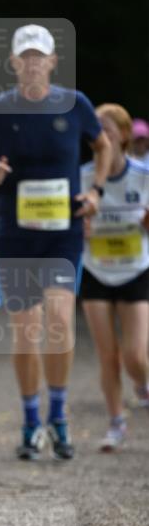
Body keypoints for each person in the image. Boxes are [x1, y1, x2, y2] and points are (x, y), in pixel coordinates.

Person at [0, 24, 112, 460]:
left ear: (51, 61)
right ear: (13, 62)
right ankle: (30, 420)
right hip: (15, 236)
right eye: (24, 56)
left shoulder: (75, 105)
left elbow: (102, 147)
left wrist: (95, 191)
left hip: (63, 233)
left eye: (38, 56)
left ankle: (59, 416)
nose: (31, 63)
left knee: (61, 322)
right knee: (26, 333)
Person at [79, 103, 149, 450]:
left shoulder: (143, 175)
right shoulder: (82, 177)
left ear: (122, 134)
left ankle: (142, 384)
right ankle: (116, 423)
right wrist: (81, 229)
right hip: (96, 272)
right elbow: (67, 224)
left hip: (136, 271)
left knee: (135, 356)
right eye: (95, 131)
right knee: (107, 355)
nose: (100, 136)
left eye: (106, 129)